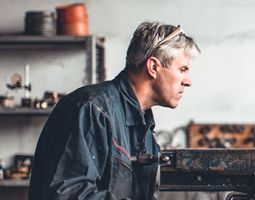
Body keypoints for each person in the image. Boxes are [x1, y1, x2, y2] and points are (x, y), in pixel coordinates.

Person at [28, 21, 200, 200]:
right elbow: (67, 194)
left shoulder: (145, 129)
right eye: (182, 69)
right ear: (154, 67)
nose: (188, 81)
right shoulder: (93, 109)